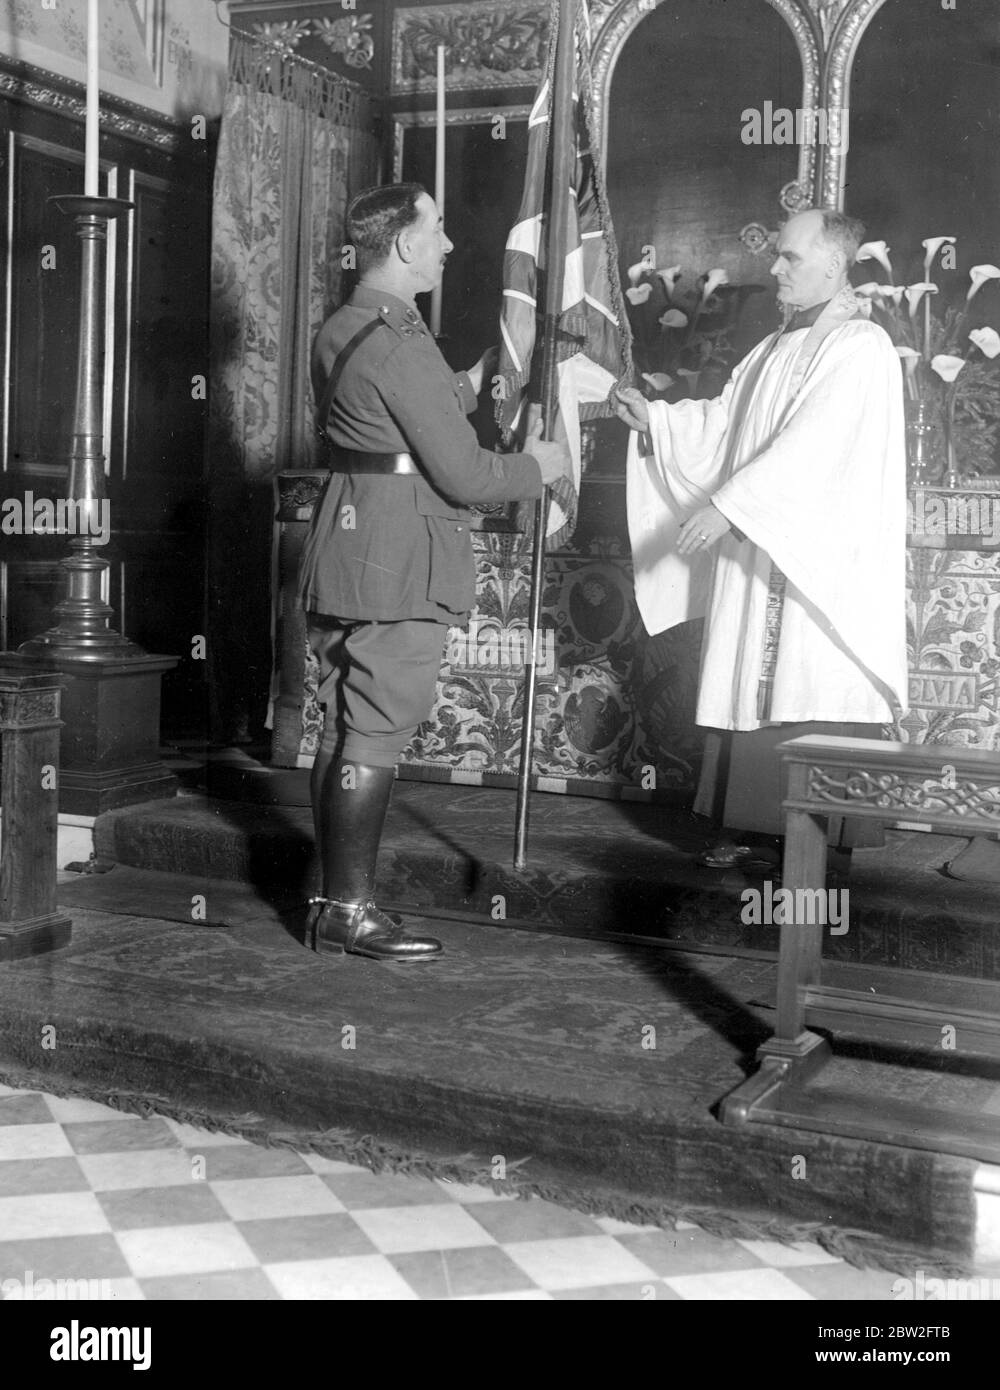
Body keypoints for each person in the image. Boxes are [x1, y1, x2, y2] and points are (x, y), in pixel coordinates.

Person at [299, 182, 569, 962]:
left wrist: (468, 377)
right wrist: (538, 466)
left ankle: (328, 899)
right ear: (407, 245)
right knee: (375, 731)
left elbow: (378, 418)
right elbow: (466, 476)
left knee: (343, 723)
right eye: (438, 228)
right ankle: (349, 912)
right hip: (401, 558)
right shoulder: (402, 341)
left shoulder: (347, 327)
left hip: (345, 545)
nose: (449, 245)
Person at [614, 208, 909, 868]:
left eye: (791, 258)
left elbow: (816, 448)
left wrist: (731, 508)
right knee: (751, 672)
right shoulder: (774, 347)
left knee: (810, 672)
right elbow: (725, 426)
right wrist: (657, 423)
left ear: (834, 267)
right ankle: (752, 825)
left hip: (812, 565)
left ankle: (820, 839)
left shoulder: (860, 347)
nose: (775, 268)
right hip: (759, 555)